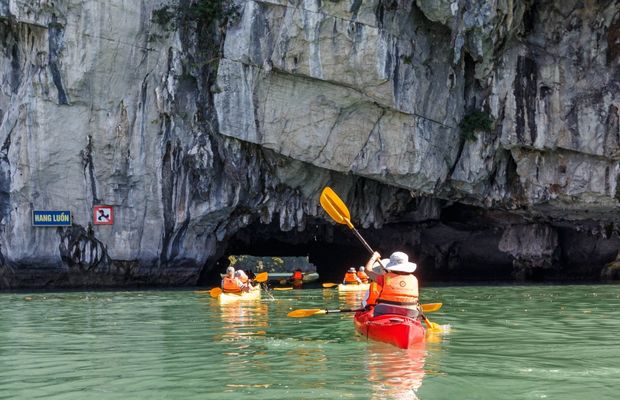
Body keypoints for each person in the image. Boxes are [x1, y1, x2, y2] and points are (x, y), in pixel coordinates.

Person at [363, 251, 420, 319]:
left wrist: (374, 257)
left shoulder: (385, 278)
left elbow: (367, 270)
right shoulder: (414, 279)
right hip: (410, 312)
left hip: (385, 311)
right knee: (417, 309)